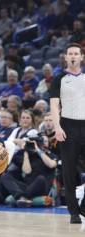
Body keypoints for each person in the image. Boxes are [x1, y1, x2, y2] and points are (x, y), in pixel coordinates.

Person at [50, 43, 85, 224]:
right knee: (69, 171)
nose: (73, 56)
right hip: (68, 126)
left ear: (81, 57)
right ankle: (73, 212)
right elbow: (54, 105)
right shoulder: (59, 79)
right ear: (66, 57)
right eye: (70, 53)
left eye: (76, 53)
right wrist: (57, 127)